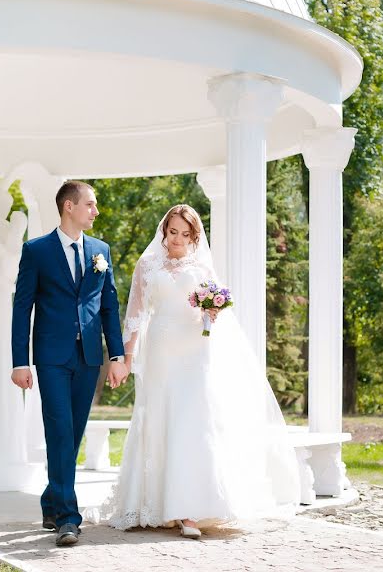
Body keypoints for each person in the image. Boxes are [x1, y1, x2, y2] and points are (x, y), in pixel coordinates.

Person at [100, 204, 299, 538]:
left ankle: (190, 509)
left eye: (185, 234)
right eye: (172, 231)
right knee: (161, 418)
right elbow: (135, 315)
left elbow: (215, 308)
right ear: (164, 230)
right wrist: (126, 358)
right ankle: (155, 503)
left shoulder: (202, 266)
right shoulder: (147, 265)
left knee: (193, 423)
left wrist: (212, 315)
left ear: (194, 235)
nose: (177, 240)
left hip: (196, 350)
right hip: (162, 350)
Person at [10, 180, 129, 547]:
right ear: (69, 207)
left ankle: (50, 499)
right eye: (90, 205)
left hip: (89, 357)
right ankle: (67, 517)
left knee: (72, 434)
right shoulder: (37, 250)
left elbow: (109, 306)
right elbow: (22, 308)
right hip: (51, 358)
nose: (95, 211)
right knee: (59, 430)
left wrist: (117, 355)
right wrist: (20, 362)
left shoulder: (100, 250)